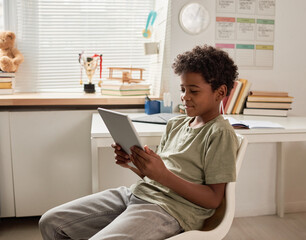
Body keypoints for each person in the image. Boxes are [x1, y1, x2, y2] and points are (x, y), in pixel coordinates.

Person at [39, 45, 239, 240]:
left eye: (193, 91)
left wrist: (162, 175)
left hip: (170, 210)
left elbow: (213, 199)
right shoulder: (176, 124)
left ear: (220, 92)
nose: (185, 97)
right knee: (51, 222)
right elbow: (155, 177)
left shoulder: (220, 133)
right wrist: (135, 163)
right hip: (136, 194)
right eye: (182, 89)